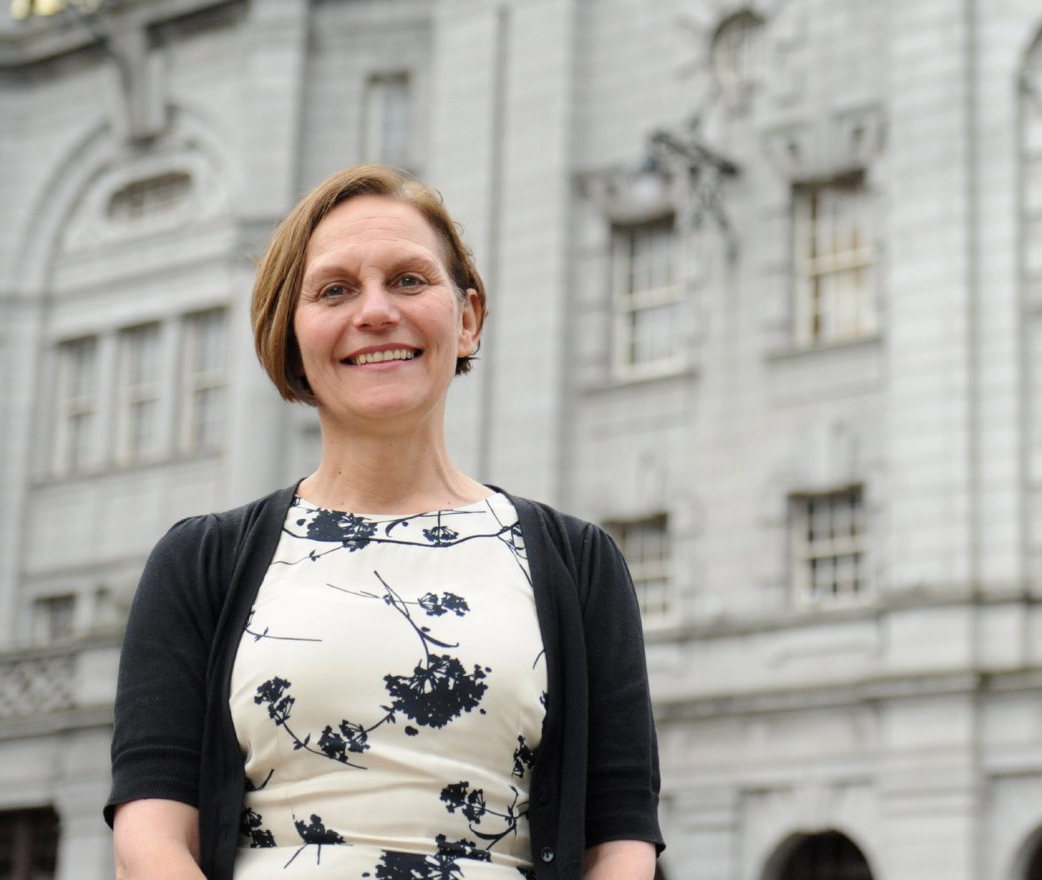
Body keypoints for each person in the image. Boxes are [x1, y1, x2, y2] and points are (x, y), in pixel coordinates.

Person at [106, 164, 662, 880]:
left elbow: (620, 842)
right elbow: (149, 838)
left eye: (408, 280)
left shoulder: (578, 564)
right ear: (290, 334)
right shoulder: (201, 563)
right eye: (335, 290)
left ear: (467, 317)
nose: (375, 312)